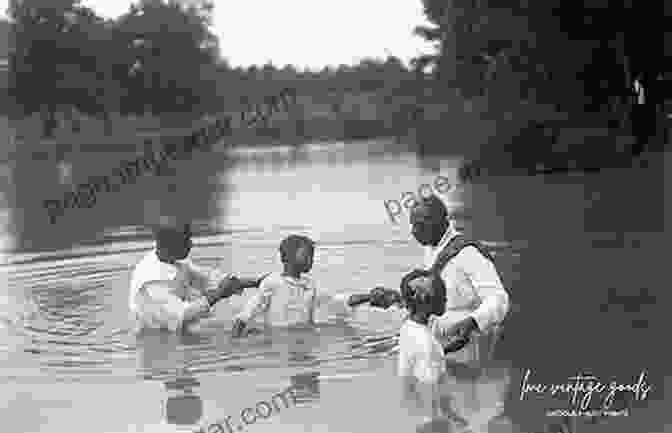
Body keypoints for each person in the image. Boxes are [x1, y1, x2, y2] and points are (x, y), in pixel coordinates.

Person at [231, 234, 400, 336]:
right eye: (307, 255)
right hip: (278, 340)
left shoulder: (309, 285)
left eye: (312, 256)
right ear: (287, 257)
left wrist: (369, 297)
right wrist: (236, 340)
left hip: (304, 336)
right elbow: (248, 312)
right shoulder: (272, 283)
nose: (311, 260)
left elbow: (336, 301)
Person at [129, 221, 267, 334]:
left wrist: (257, 282)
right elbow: (182, 315)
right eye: (186, 241)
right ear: (169, 245)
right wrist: (219, 294)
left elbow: (209, 278)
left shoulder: (172, 260)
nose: (191, 245)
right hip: (158, 341)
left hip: (176, 330)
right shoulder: (151, 280)